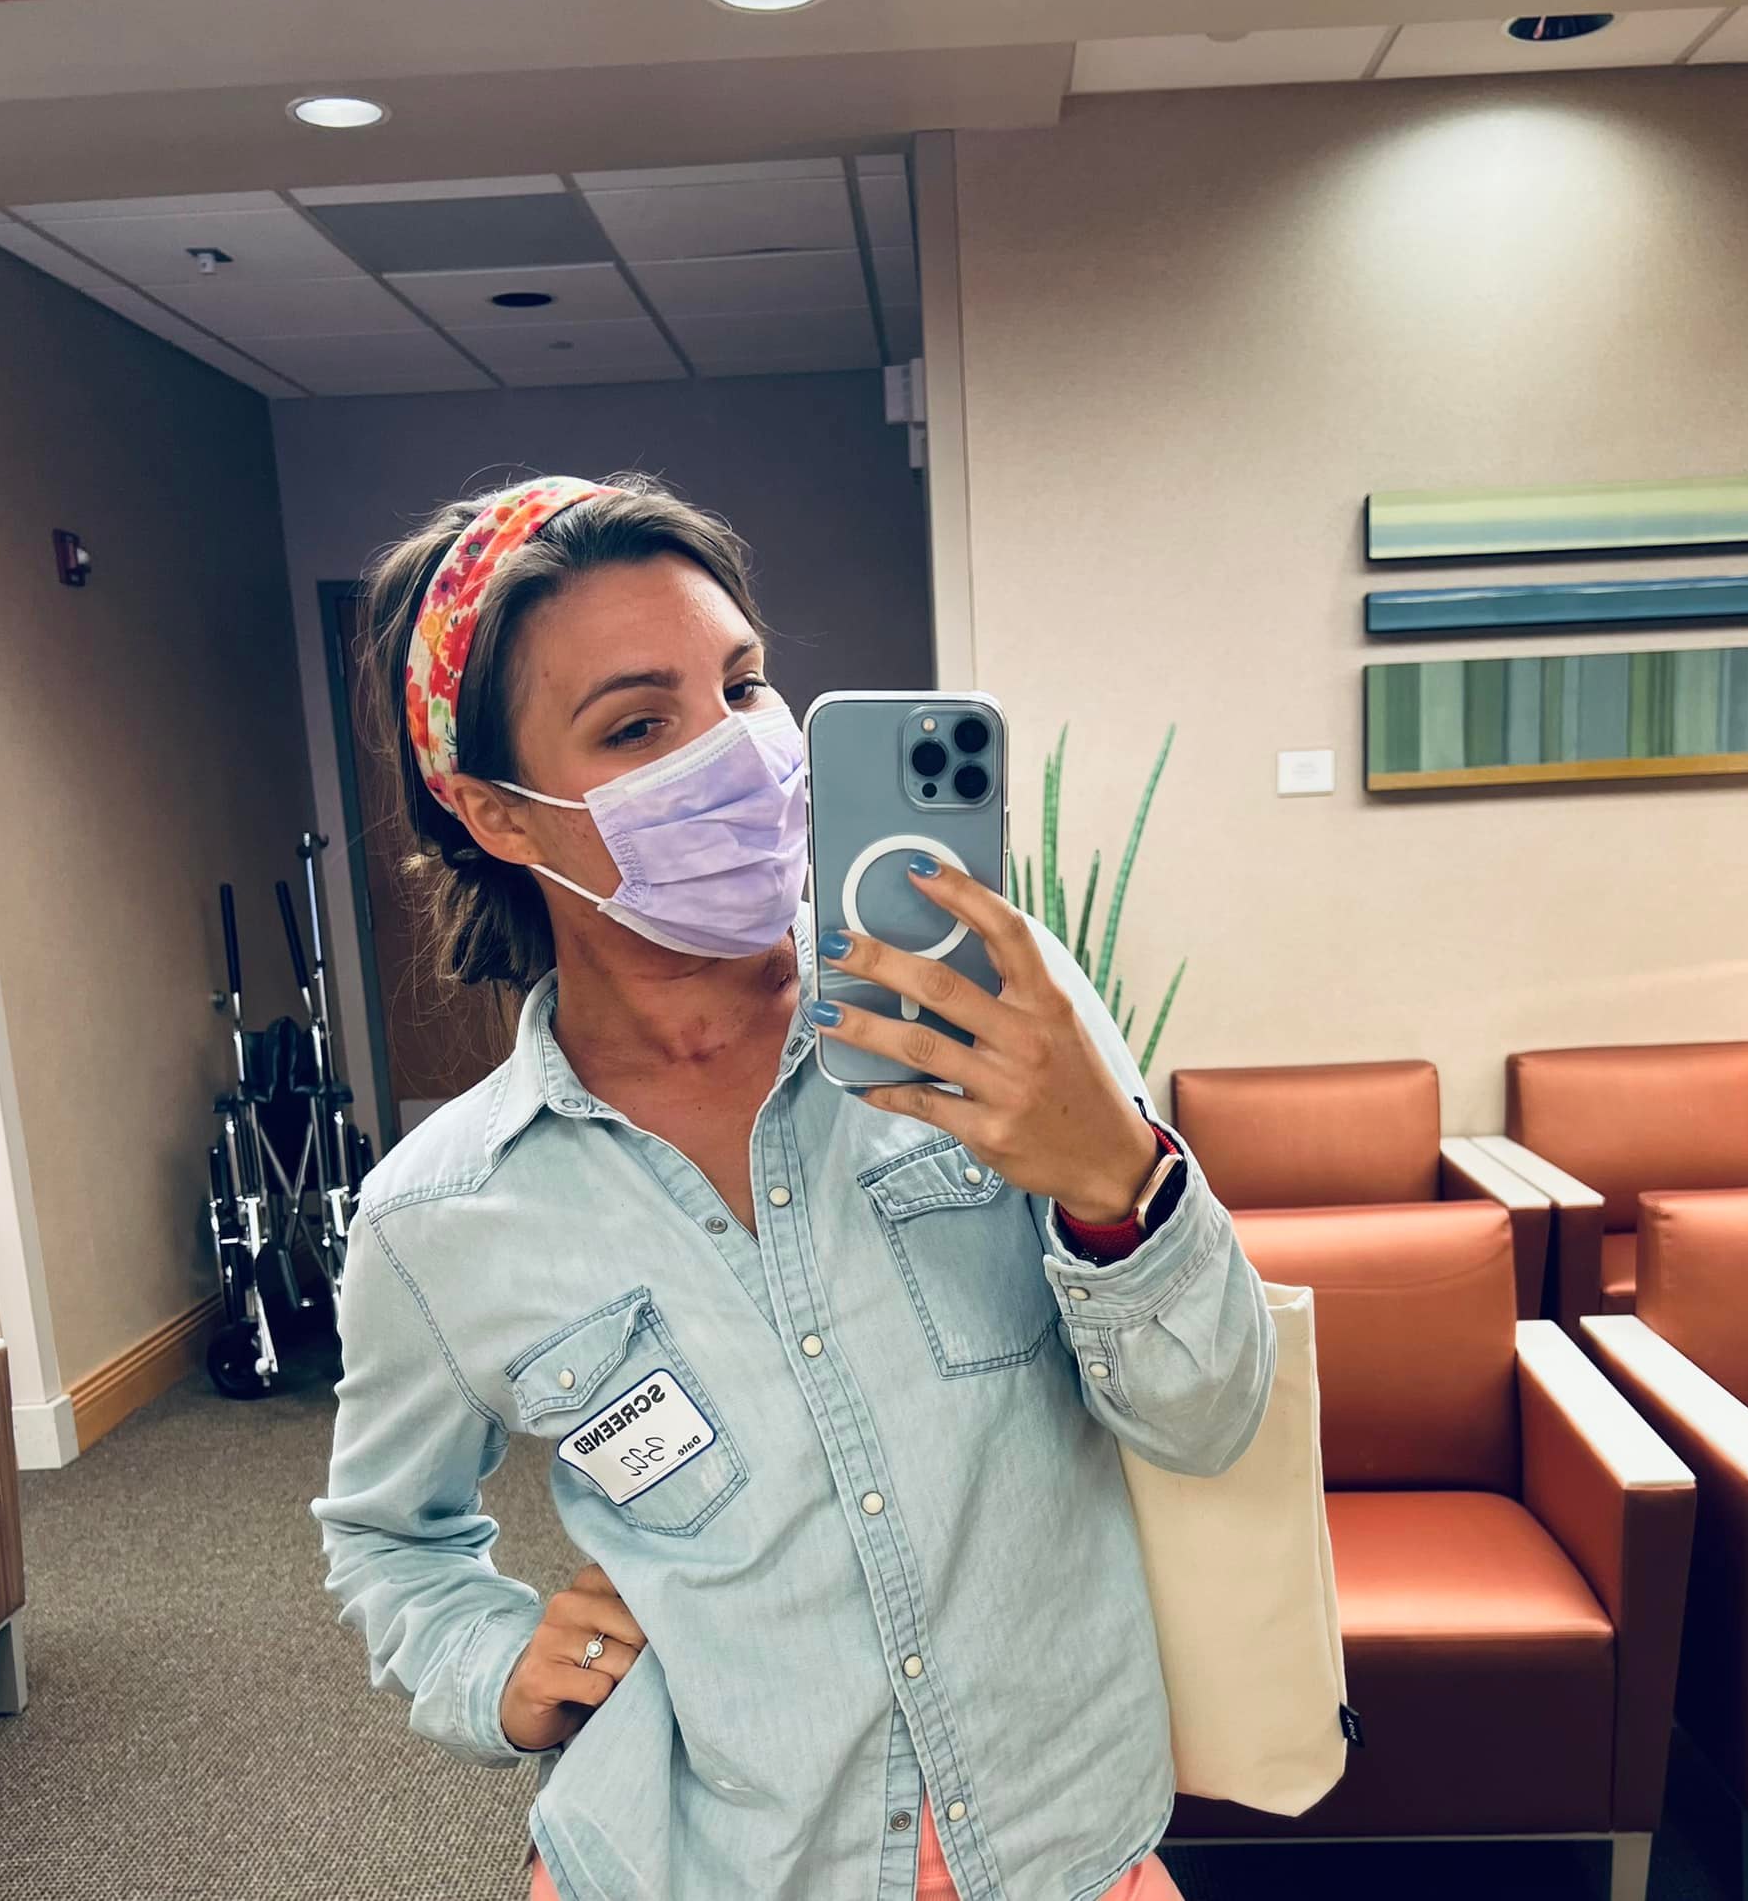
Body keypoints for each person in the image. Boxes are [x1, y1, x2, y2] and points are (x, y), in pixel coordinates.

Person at [311, 473, 1276, 1901]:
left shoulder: (1001, 1027)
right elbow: (388, 1535)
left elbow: (1211, 1415)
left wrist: (1113, 1185)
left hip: (1063, 1849)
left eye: (744, 684)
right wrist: (493, 1661)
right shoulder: (437, 1219)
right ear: (496, 815)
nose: (739, 751)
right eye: (638, 726)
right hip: (707, 1863)